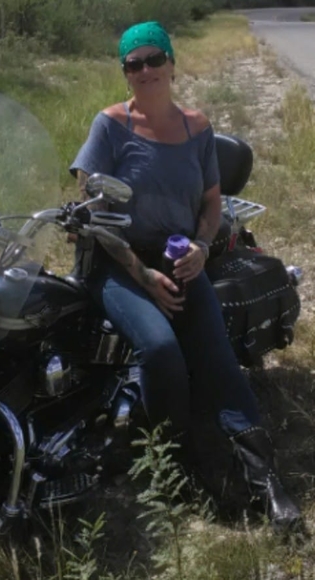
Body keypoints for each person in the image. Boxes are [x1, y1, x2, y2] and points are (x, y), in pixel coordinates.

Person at [69, 20, 301, 532]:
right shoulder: (110, 125)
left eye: (155, 59)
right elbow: (90, 212)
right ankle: (175, 464)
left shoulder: (198, 128)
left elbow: (213, 202)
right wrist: (143, 275)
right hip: (115, 261)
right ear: (125, 72)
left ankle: (265, 480)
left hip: (178, 258)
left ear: (172, 63)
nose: (146, 70)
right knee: (160, 348)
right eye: (134, 63)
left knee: (218, 358)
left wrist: (199, 246)